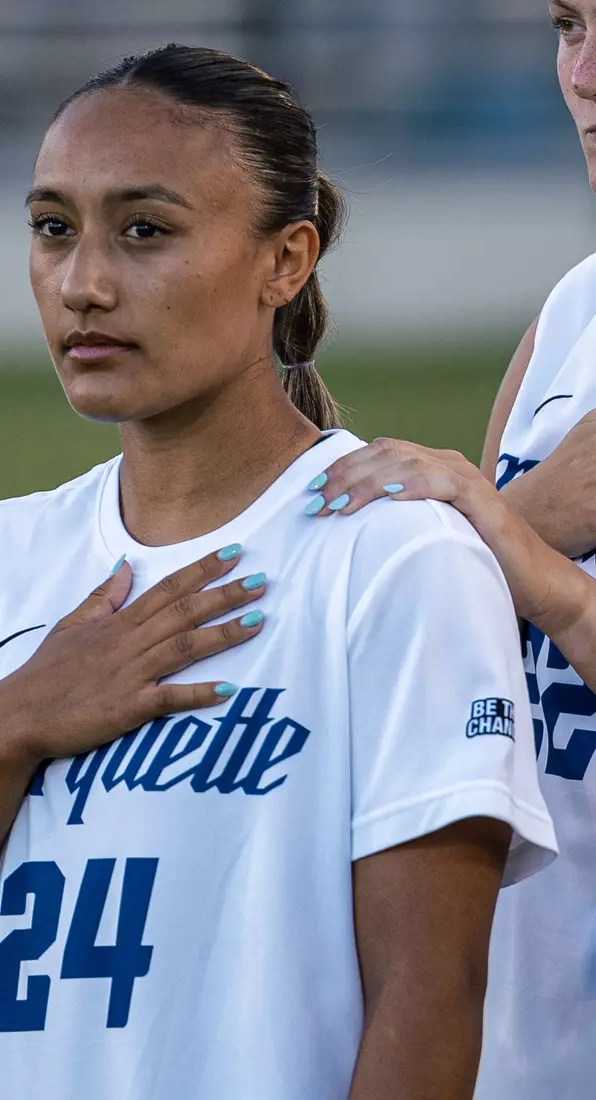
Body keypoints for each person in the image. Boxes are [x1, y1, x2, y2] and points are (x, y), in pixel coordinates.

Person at [0, 45, 556, 1100]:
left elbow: (430, 1003)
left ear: (285, 261)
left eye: (144, 230)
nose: (83, 283)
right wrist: (6, 727)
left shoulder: (394, 555)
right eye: (53, 227)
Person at [304, 4, 596, 1096]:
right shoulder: (573, 312)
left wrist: (526, 545)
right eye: (567, 25)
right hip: (521, 1043)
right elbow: (475, 658)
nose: (584, 72)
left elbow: (519, 563)